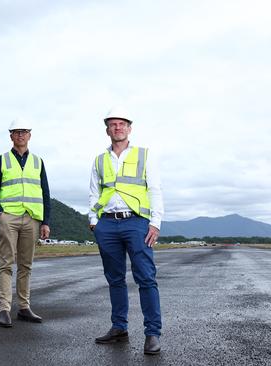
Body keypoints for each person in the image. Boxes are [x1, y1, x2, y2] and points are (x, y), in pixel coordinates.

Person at [88, 107, 164, 355]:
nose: (117, 128)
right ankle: (119, 327)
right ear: (107, 129)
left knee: (145, 278)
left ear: (129, 128)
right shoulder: (100, 160)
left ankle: (152, 333)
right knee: (115, 279)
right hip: (107, 224)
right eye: (112, 124)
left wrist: (155, 222)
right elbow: (94, 191)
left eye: (122, 124)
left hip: (136, 222)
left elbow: (154, 189)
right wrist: (93, 220)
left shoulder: (144, 155)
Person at [0, 118, 51, 328]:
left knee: (26, 265)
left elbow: (45, 193)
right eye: (16, 132)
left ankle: (24, 307)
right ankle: (4, 308)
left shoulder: (38, 162)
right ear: (11, 136)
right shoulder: (1, 161)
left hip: (32, 217)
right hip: (9, 217)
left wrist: (45, 221)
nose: (20, 135)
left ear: (30, 135)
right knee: (6, 263)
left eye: (24, 131)